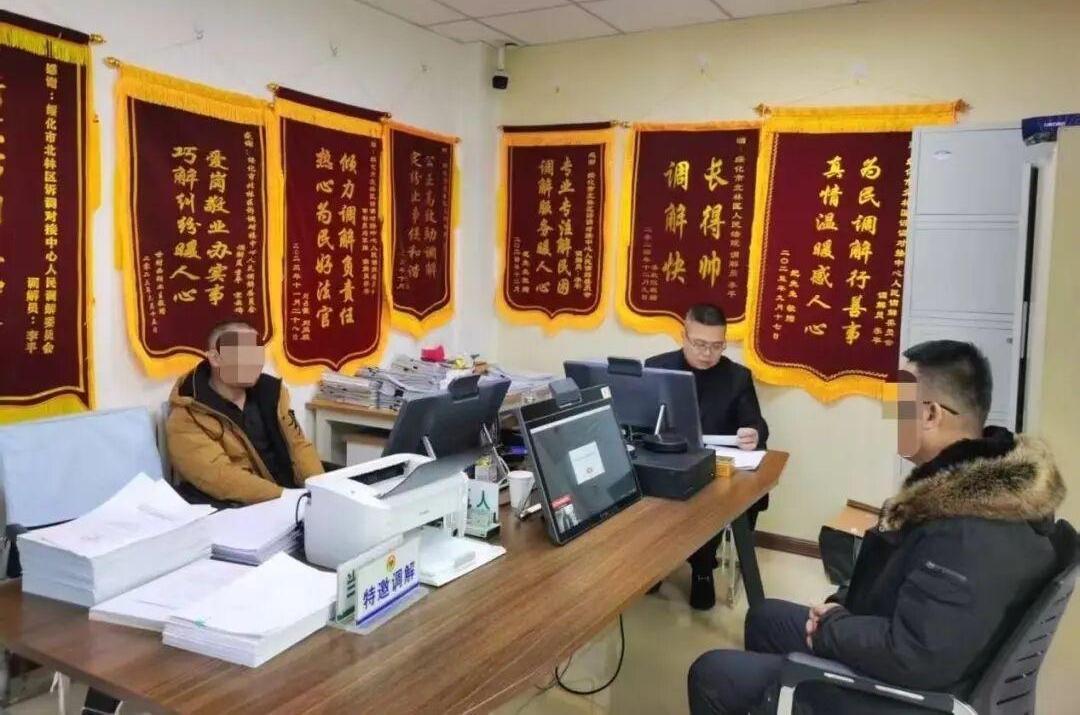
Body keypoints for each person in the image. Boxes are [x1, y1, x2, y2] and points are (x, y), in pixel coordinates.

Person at [687, 340, 1066, 715]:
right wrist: (839, 605)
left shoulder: (967, 531)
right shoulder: (973, 487)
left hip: (902, 693)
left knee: (712, 674)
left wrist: (831, 627)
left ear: (930, 414)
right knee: (764, 618)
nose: (892, 416)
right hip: (896, 630)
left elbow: (912, 655)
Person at [646, 303, 770, 610]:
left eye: (716, 346)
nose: (707, 353)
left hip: (714, 467)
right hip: (667, 460)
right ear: (683, 336)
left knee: (715, 498)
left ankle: (702, 567)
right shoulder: (657, 368)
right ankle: (654, 563)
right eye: (700, 344)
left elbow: (757, 423)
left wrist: (754, 433)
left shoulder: (737, 377)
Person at [166, 320, 324, 506]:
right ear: (215, 358)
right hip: (246, 506)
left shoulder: (272, 392)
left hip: (294, 497)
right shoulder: (187, 414)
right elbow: (221, 478)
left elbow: (299, 447)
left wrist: (322, 490)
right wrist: (288, 497)